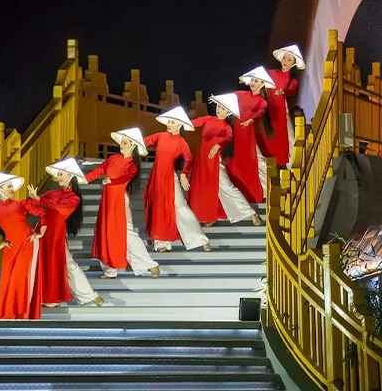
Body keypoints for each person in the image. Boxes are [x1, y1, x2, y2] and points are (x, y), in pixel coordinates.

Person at [84, 128, 160, 278]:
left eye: (125, 143)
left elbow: (126, 176)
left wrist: (112, 181)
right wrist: (83, 179)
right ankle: (109, 269)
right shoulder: (113, 159)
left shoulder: (132, 165)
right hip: (108, 199)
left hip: (119, 199)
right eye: (122, 143)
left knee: (127, 232)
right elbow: (99, 170)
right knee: (105, 231)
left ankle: (149, 263)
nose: (121, 145)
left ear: (132, 145)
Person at [30, 158, 103, 307]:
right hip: (43, 230)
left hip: (56, 233)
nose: (58, 178)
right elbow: (36, 203)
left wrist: (39, 199)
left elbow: (59, 209)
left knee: (67, 264)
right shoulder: (54, 193)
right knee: (44, 263)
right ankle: (47, 297)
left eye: (61, 174)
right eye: (58, 175)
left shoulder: (73, 198)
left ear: (71, 176)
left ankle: (88, 295)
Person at [0, 172, 46, 319]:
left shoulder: (20, 203)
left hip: (28, 244)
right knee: (8, 282)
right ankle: (9, 314)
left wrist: (40, 233)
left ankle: (23, 314)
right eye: (9, 186)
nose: (12, 189)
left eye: (12, 186)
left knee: (22, 280)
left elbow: (44, 215)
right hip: (10, 248)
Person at [143, 106, 211, 252]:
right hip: (156, 177)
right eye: (168, 122)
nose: (169, 124)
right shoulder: (161, 136)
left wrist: (183, 174)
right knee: (158, 208)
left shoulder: (181, 142)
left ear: (179, 124)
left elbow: (188, 159)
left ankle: (199, 239)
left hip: (170, 176)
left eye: (172, 122)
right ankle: (161, 243)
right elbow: (144, 141)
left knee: (180, 206)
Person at [189, 93, 262, 226]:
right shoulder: (208, 119)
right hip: (202, 161)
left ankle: (251, 213)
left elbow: (228, 139)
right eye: (218, 106)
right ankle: (210, 216)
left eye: (222, 108)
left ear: (228, 112)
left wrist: (217, 145)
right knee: (205, 189)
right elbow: (192, 123)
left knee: (228, 187)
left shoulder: (226, 127)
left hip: (215, 161)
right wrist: (180, 122)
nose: (218, 109)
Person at [226, 66, 275, 203]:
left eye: (257, 81)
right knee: (237, 162)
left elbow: (261, 111)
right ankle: (241, 193)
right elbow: (228, 99)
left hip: (248, 134)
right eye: (252, 80)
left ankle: (265, 191)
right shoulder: (241, 94)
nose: (253, 83)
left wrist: (251, 119)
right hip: (237, 132)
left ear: (263, 84)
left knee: (256, 160)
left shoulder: (261, 101)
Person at [261, 44, 305, 168]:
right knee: (268, 137)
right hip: (269, 108)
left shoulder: (292, 79)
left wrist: (283, 92)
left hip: (280, 109)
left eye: (289, 59)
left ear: (294, 63)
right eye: (285, 58)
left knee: (288, 137)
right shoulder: (271, 73)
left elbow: (292, 90)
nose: (285, 61)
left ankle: (295, 165)